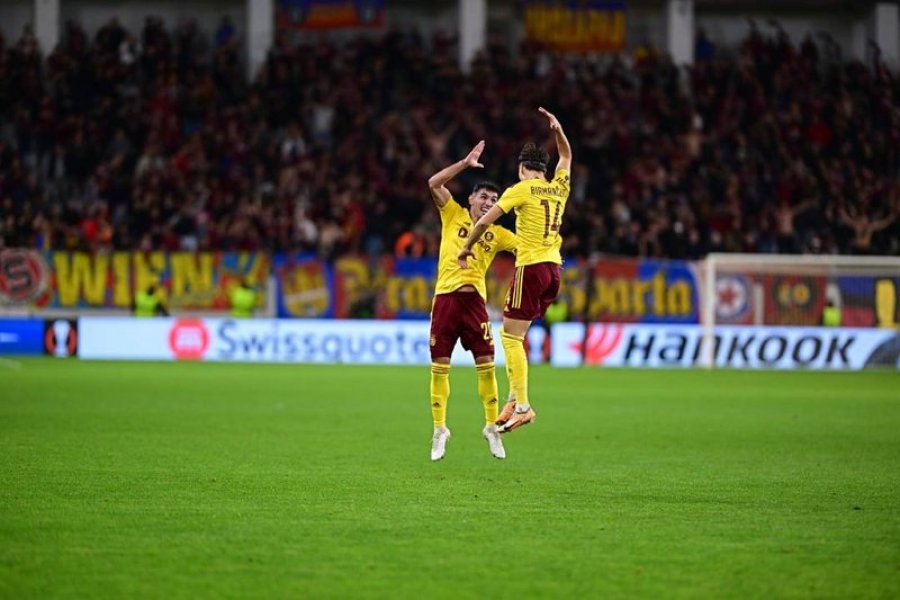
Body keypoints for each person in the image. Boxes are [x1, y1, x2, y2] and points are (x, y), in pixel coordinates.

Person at [458, 107, 572, 434]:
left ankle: (522, 406)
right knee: (517, 336)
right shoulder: (559, 186)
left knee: (509, 337)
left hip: (532, 267)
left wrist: (466, 247)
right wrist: (559, 130)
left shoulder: (520, 189)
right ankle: (513, 399)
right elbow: (566, 155)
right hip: (554, 270)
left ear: (522, 168)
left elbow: (484, 220)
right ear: (543, 169)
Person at [426, 140, 518, 461]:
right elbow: (433, 183)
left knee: (487, 366)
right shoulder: (453, 214)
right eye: (484, 197)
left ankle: (491, 427)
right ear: (471, 200)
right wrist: (464, 164)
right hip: (445, 301)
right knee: (439, 368)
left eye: (494, 200)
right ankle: (440, 429)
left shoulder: (499, 234)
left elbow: (527, 248)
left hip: (475, 305)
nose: (489, 202)